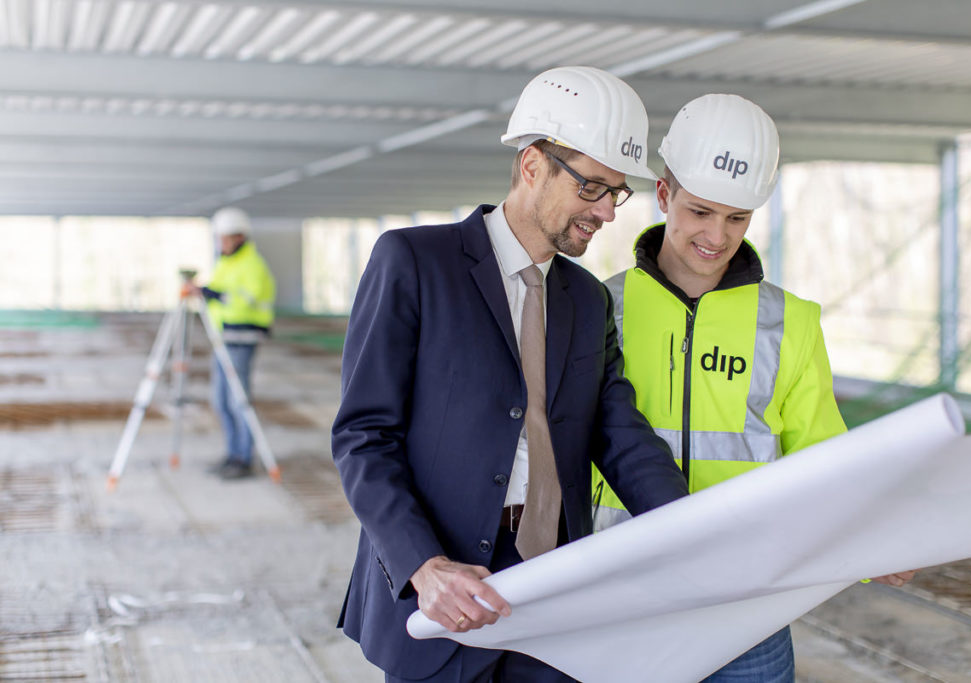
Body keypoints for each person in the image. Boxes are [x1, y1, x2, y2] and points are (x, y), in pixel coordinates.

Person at [331, 66, 689, 683]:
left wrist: (699, 532)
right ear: (532, 165)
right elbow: (363, 436)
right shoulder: (416, 263)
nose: (606, 211)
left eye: (616, 192)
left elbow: (620, 435)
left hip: (553, 586)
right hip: (444, 581)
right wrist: (423, 565)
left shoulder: (587, 299)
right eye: (591, 188)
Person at [590, 93, 916, 681]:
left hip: (747, 606)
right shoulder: (595, 309)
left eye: (737, 218)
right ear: (664, 196)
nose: (716, 236)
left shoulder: (790, 322)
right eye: (700, 211)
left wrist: (875, 546)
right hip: (619, 595)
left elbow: (822, 455)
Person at [188, 206, 275, 480]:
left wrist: (208, 292)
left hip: (241, 338)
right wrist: (205, 293)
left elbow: (242, 301)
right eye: (219, 238)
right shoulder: (225, 262)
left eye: (225, 237)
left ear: (239, 237)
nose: (221, 243)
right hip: (223, 338)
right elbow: (220, 295)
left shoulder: (252, 264)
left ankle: (244, 458)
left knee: (239, 400)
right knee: (221, 401)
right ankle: (233, 453)